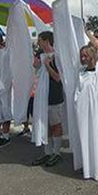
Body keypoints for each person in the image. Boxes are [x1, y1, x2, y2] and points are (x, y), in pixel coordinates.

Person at [31, 32, 65, 168]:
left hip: (54, 95)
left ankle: (57, 152)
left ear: (47, 41)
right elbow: (34, 66)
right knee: (45, 123)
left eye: (40, 40)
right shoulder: (41, 55)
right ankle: (48, 151)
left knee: (55, 124)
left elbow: (58, 78)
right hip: (42, 95)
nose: (38, 43)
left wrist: (47, 65)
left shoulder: (56, 56)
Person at [75, 44, 98, 180]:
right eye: (81, 56)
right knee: (85, 136)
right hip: (83, 110)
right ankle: (87, 165)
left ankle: (97, 165)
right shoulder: (81, 72)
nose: (82, 58)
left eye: (85, 56)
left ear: (92, 56)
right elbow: (77, 91)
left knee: (97, 136)